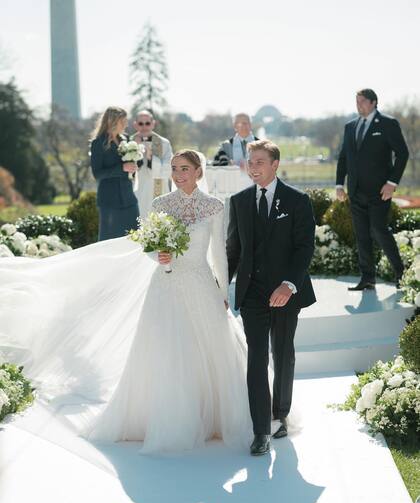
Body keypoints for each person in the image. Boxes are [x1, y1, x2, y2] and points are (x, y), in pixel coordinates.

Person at [0, 150, 252, 454]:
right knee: (167, 351)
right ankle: (168, 419)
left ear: (198, 171)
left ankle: (210, 417)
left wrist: (223, 293)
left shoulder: (213, 206)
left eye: (185, 168)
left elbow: (219, 256)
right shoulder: (161, 204)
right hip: (166, 285)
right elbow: (149, 247)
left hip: (201, 284)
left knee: (209, 351)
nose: (178, 174)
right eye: (174, 168)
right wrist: (161, 257)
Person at [227, 140, 316, 456]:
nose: (253, 167)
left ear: (275, 164)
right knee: (256, 358)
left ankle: (281, 414)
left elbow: (304, 247)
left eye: (260, 162)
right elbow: (234, 249)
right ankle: (260, 430)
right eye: (251, 162)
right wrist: (223, 286)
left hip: (286, 292)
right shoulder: (238, 201)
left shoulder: (297, 201)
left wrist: (289, 284)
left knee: (283, 352)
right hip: (252, 292)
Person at [336, 88, 409, 290]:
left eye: (362, 101)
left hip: (380, 191)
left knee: (378, 230)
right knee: (362, 234)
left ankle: (401, 274)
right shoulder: (350, 126)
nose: (358, 105)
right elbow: (344, 158)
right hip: (356, 191)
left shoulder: (388, 123)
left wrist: (392, 183)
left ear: (373, 102)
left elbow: (402, 154)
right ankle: (368, 278)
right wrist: (339, 184)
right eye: (356, 101)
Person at [90, 106, 139, 241]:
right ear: (113, 122)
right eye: (123, 121)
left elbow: (130, 164)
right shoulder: (98, 143)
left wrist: (135, 165)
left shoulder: (126, 139)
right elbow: (97, 174)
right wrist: (122, 168)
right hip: (109, 200)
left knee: (134, 238)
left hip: (129, 198)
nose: (126, 124)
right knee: (109, 240)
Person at [131, 110, 173, 218]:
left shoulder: (163, 143)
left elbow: (168, 170)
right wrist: (136, 152)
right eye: (141, 123)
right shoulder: (129, 143)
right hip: (136, 190)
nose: (144, 126)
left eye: (147, 123)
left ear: (153, 124)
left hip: (158, 190)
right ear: (135, 124)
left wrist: (151, 159)